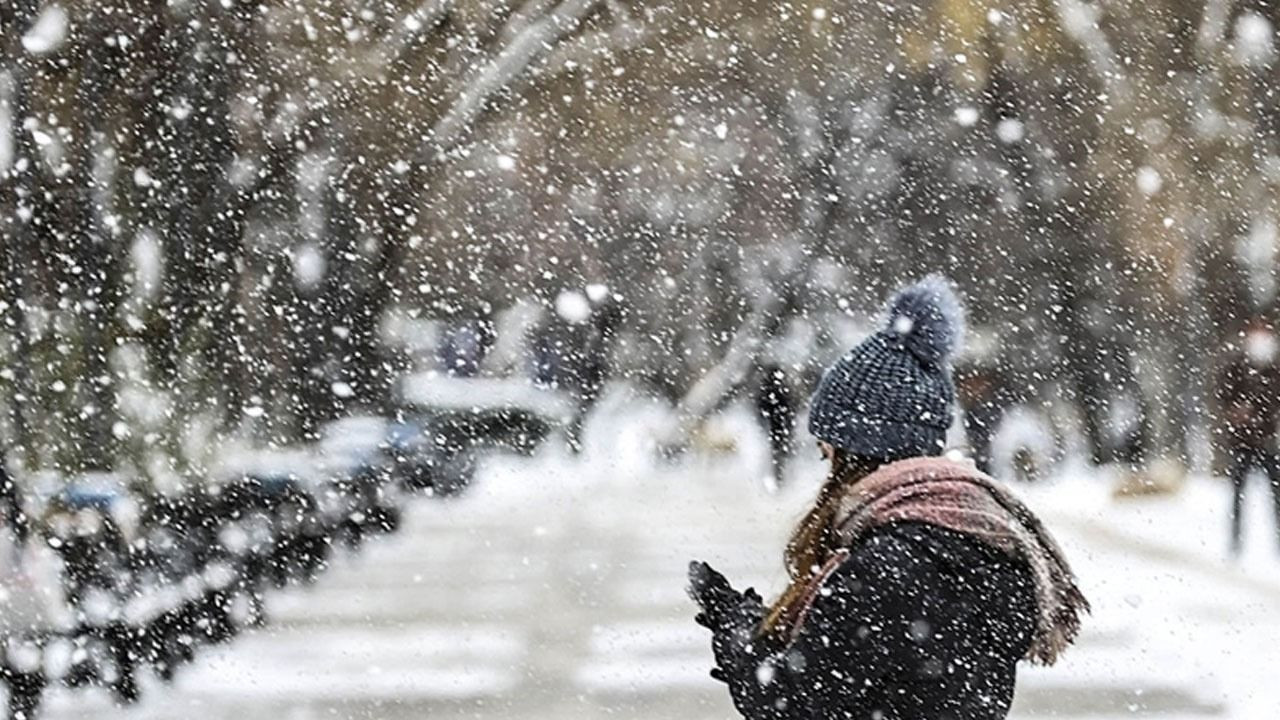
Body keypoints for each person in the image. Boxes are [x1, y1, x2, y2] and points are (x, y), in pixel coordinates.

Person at [688, 276, 1088, 720]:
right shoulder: (973, 538)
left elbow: (789, 700)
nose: (826, 464)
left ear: (861, 448)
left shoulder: (888, 567)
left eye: (831, 452)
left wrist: (735, 625)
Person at [1217, 318, 1280, 555]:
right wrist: (1236, 410)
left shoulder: (1273, 367)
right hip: (1241, 441)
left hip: (1267, 440)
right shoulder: (1236, 364)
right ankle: (1236, 541)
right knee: (1237, 494)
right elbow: (1223, 393)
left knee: (1275, 493)